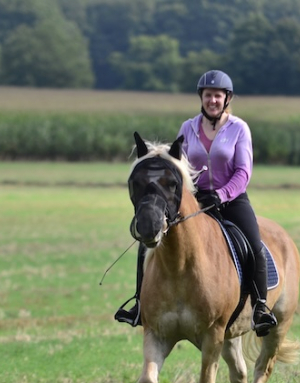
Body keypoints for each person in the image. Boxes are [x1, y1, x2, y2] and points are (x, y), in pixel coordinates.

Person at [115, 70, 278, 336]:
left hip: (233, 200)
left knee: (253, 244)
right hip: (197, 201)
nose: (212, 100)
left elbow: (243, 172)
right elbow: (181, 167)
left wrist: (223, 194)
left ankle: (260, 307)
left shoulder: (239, 128)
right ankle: (139, 304)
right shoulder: (187, 128)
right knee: (150, 240)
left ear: (227, 99)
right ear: (201, 98)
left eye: (217, 95)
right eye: (207, 95)